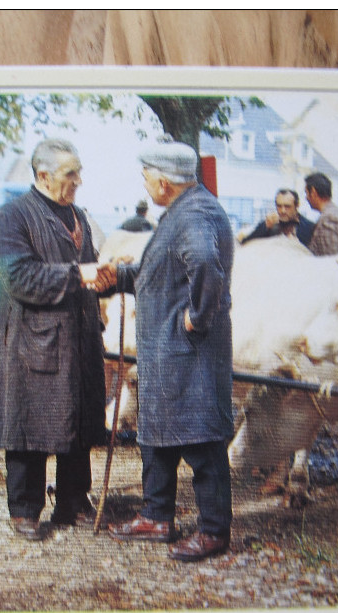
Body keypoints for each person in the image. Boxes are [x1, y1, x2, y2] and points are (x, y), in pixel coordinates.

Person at [105, 140, 235, 562]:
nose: (145, 185)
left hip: (189, 351)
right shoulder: (183, 211)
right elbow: (165, 272)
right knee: (157, 437)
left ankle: (214, 532)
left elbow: (203, 264)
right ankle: (156, 517)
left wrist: (198, 316)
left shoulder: (195, 213)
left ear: (162, 181)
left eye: (146, 177)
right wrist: (119, 277)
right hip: (167, 352)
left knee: (201, 442)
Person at [0, 138, 109, 541]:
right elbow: (20, 279)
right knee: (29, 423)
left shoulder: (79, 216)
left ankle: (73, 501)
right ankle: (24, 509)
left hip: (78, 337)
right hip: (31, 340)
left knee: (77, 418)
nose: (78, 180)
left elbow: (88, 270)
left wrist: (108, 277)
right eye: (70, 174)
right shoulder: (11, 217)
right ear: (43, 175)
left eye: (78, 171)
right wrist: (80, 276)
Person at [241, 189, 314, 246]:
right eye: (279, 206)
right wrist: (265, 227)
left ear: (297, 205)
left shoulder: (309, 227)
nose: (282, 211)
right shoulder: (270, 223)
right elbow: (245, 243)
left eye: (287, 206)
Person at [304, 172, 338, 256]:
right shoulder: (334, 212)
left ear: (313, 192)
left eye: (307, 193)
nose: (306, 198)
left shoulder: (328, 219)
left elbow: (333, 260)